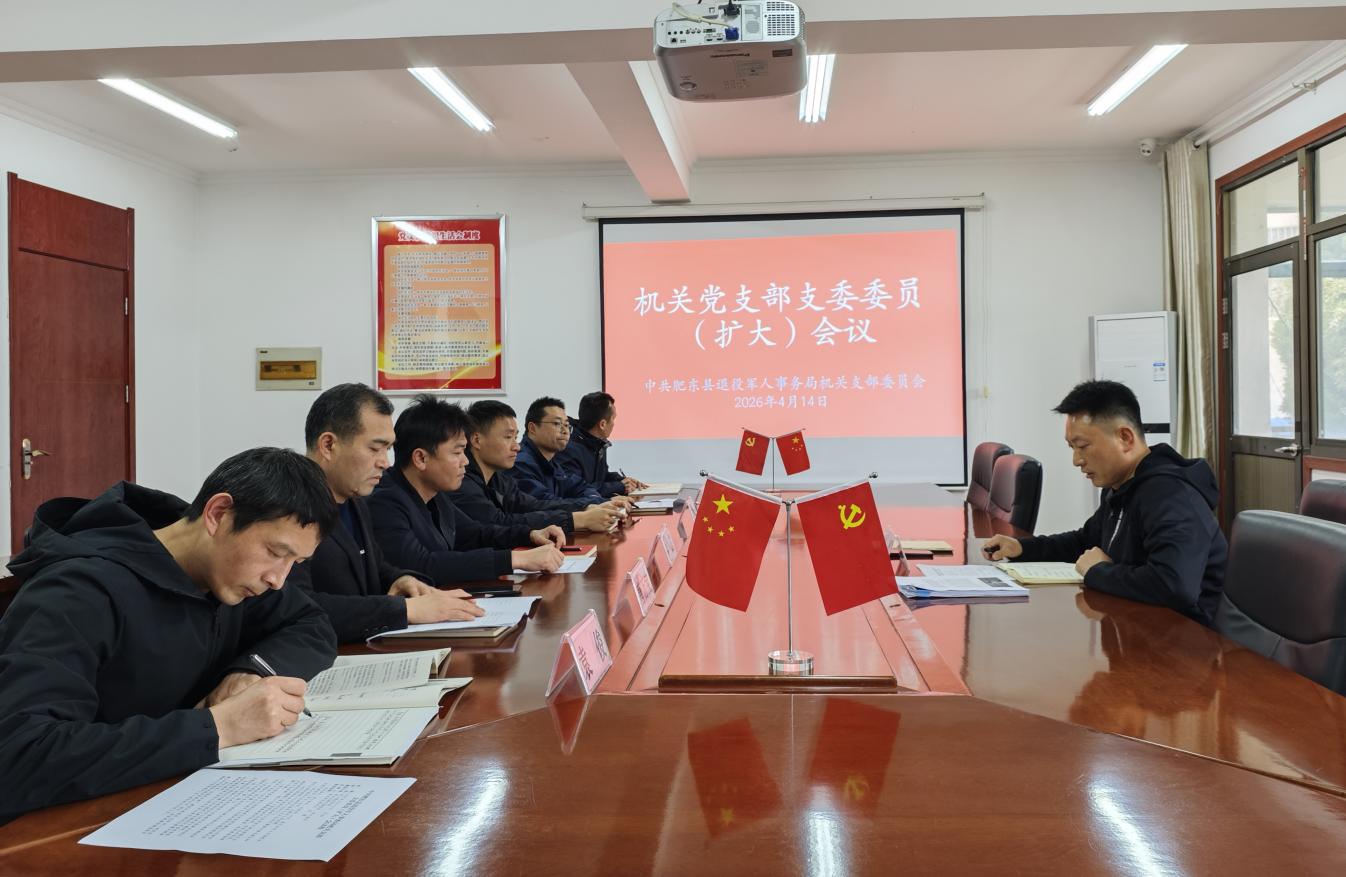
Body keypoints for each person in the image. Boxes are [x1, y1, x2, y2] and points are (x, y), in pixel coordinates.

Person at [0, 447, 339, 824]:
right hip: (66, 827)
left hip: (173, 800)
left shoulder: (228, 573)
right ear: (218, 514)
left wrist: (251, 671)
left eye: (296, 563)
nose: (278, 579)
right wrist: (219, 726)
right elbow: (20, 755)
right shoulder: (77, 592)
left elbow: (312, 624)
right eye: (276, 552)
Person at [983, 380, 1228, 625]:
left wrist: (1099, 572)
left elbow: (1174, 585)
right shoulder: (1120, 486)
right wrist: (1023, 548)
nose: (1076, 460)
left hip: (1184, 639)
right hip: (1133, 626)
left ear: (1125, 438)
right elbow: (1087, 541)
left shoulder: (1171, 495)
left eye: (1082, 446)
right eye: (1072, 447)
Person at [290, 383, 483, 643]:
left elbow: (374, 566)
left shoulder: (355, 500)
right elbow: (298, 606)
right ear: (328, 444)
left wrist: (400, 579)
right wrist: (405, 610)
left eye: (387, 449)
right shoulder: (290, 508)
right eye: (374, 448)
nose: (385, 462)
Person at [368, 395, 565, 585]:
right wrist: (516, 559)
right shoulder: (384, 502)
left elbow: (474, 533)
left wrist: (529, 535)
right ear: (420, 458)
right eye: (457, 452)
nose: (466, 461)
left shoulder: (436, 495)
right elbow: (422, 566)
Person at [455, 400, 621, 534]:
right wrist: (577, 519)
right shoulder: (461, 482)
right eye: (507, 437)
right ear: (477, 440)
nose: (516, 447)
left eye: (515, 437)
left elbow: (532, 504)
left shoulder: (498, 478)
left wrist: (588, 506)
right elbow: (499, 522)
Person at [514, 396, 633, 509]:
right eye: (557, 424)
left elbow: (578, 487)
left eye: (567, 425)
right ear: (533, 428)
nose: (565, 431)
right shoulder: (521, 463)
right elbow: (545, 503)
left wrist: (600, 501)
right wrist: (596, 503)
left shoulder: (551, 462)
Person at [556, 391, 647, 498]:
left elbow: (602, 477)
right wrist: (619, 486)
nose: (614, 424)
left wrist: (623, 481)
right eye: (613, 419)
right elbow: (576, 490)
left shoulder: (597, 443)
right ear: (602, 424)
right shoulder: (568, 448)